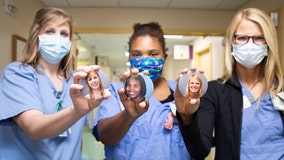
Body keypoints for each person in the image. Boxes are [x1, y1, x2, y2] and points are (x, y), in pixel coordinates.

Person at [175, 8, 284, 160]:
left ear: (268, 42)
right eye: (242, 38)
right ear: (232, 41)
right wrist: (187, 116)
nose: (250, 44)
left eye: (259, 38)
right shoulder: (215, 92)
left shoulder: (280, 88)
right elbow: (200, 151)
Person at [0, 7, 108, 159]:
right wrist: (77, 111)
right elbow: (34, 128)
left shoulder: (77, 82)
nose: (57, 38)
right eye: (50, 31)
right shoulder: (18, 74)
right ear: (36, 36)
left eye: (64, 33)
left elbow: (76, 140)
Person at [92, 22, 190, 159]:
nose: (145, 60)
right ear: (130, 58)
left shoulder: (181, 92)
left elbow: (196, 143)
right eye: (137, 55)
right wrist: (128, 115)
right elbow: (105, 137)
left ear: (164, 57)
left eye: (153, 54)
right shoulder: (117, 91)